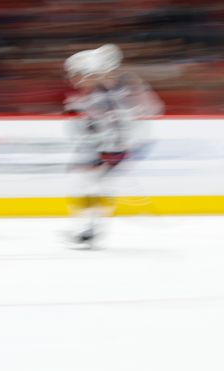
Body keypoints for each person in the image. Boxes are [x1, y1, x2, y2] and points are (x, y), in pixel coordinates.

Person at [63, 44, 163, 247]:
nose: (76, 79)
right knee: (90, 186)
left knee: (92, 186)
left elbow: (151, 109)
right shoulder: (102, 91)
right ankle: (90, 228)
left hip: (113, 148)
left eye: (80, 74)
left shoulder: (115, 90)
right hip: (106, 147)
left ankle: (90, 229)